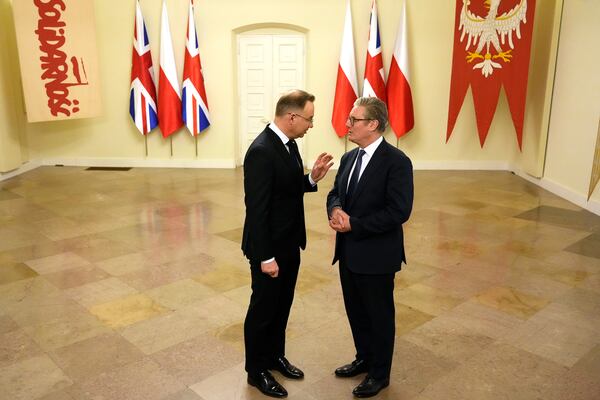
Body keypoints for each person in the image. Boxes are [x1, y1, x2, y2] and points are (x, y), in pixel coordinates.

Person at [242, 89, 334, 398]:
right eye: (309, 119)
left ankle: (274, 356)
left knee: (282, 304)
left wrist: (311, 179)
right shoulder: (261, 151)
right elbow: (257, 210)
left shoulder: (289, 144)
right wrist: (265, 256)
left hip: (289, 242)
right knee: (264, 309)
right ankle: (256, 371)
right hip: (268, 247)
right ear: (292, 117)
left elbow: (286, 188)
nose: (311, 125)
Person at [326, 97, 414, 398]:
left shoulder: (397, 162)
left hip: (377, 255)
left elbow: (399, 211)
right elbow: (335, 192)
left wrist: (355, 225)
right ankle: (363, 358)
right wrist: (335, 210)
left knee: (378, 315)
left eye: (354, 120)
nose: (347, 124)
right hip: (349, 253)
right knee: (356, 311)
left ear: (373, 124)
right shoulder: (350, 157)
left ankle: (379, 374)